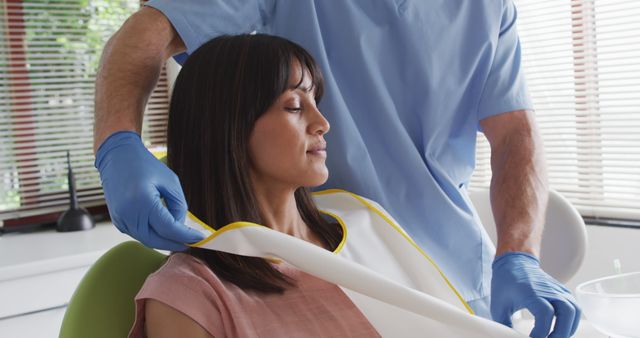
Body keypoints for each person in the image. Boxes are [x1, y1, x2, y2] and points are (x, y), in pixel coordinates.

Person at [93, 1, 580, 337]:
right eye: (292, 105)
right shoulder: (195, 295)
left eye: (316, 101)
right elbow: (145, 34)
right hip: (319, 266)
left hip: (445, 269)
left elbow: (516, 133)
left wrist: (520, 256)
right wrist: (117, 141)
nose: (323, 123)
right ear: (229, 126)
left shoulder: (489, 9)